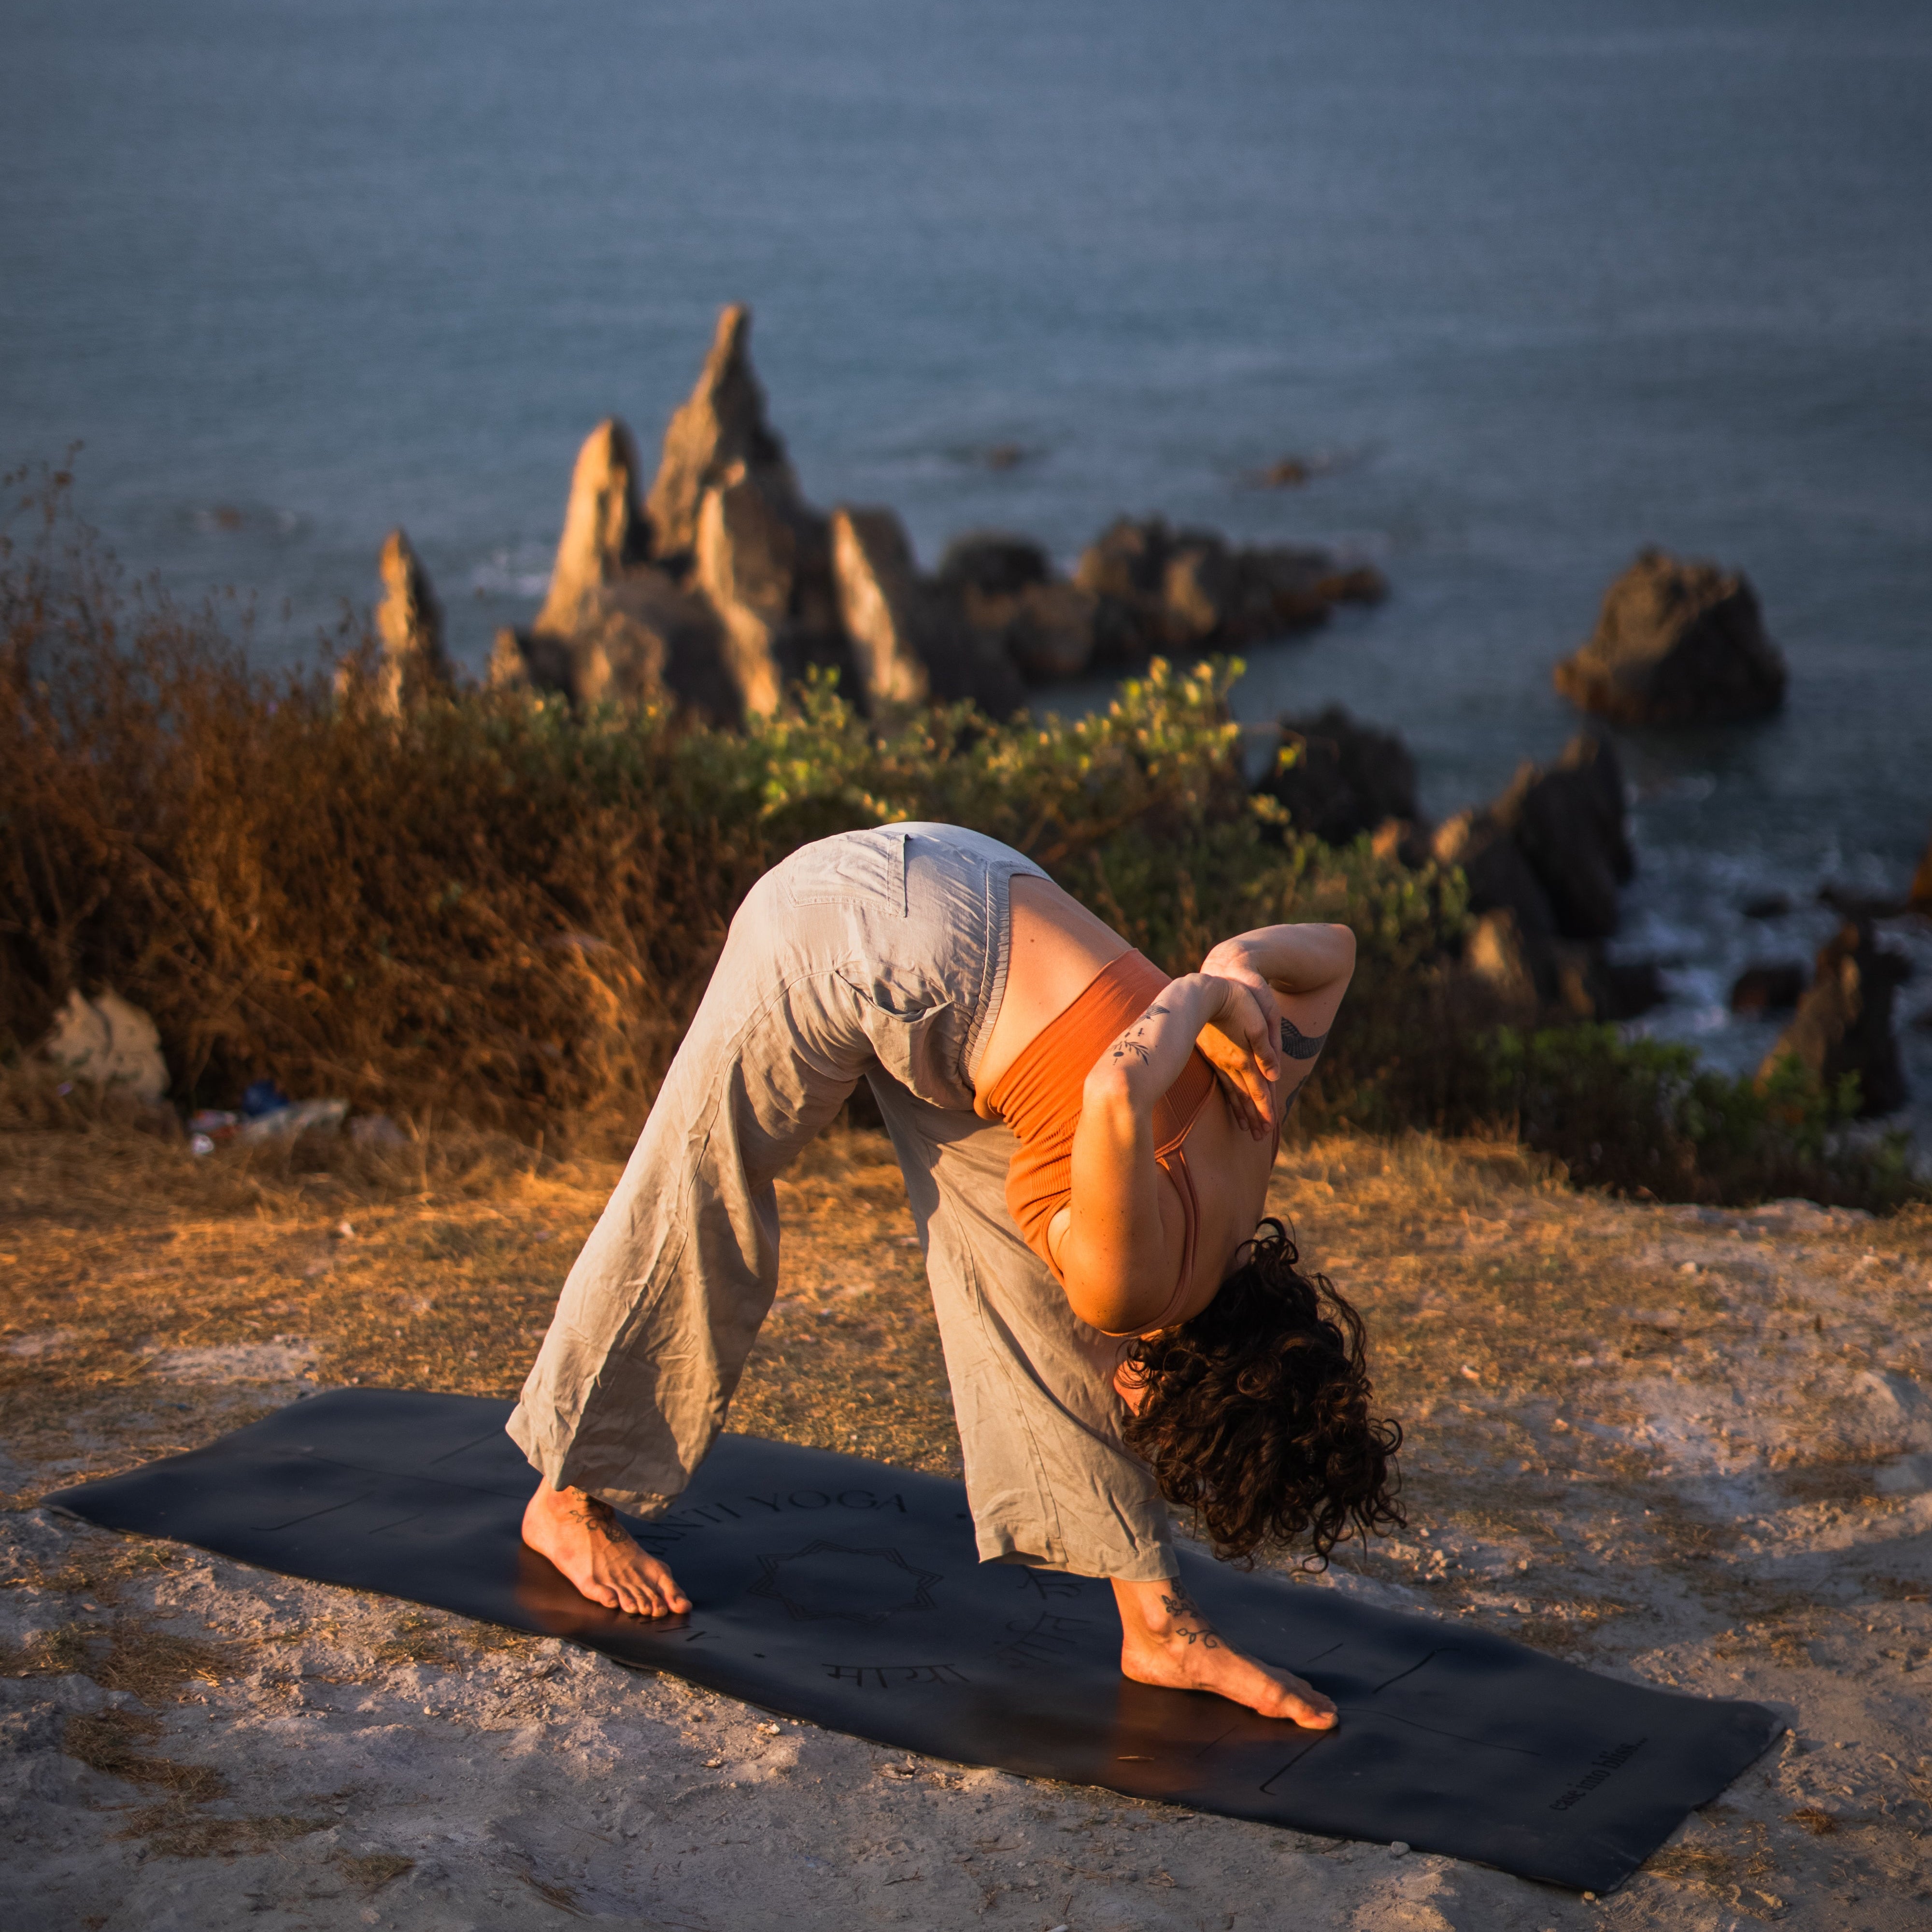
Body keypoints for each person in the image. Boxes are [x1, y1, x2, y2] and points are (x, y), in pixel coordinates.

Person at [510, 823, 1402, 1728]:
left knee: (1028, 1285)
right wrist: (1203, 992)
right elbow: (1114, 1093)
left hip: (975, 879)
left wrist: (1232, 978)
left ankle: (1157, 1624)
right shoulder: (1129, 1288)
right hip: (850, 925)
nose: (1145, 1427)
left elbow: (1334, 955)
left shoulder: (1259, 1117)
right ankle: (565, 1497)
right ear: (1178, 1404)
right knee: (703, 1184)